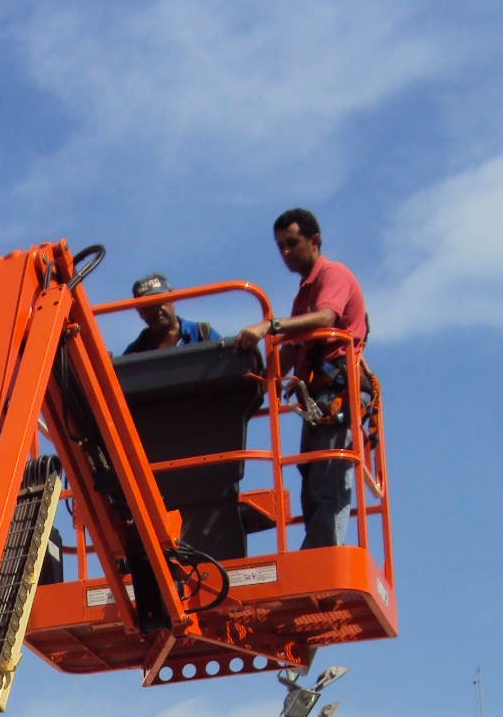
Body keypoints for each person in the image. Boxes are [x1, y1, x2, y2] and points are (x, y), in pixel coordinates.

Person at [234, 210, 367, 547]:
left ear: (315, 241)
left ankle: (325, 555)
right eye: (280, 247)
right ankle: (317, 551)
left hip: (337, 392)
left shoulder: (333, 275)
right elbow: (292, 351)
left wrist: (270, 326)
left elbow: (325, 318)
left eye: (291, 244)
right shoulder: (302, 295)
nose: (285, 253)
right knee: (311, 479)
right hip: (317, 399)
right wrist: (256, 385)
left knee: (328, 480)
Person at [122, 273, 219, 354]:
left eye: (160, 300)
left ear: (173, 299)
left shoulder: (201, 334)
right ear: (139, 312)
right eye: (148, 304)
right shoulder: (133, 352)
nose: (156, 308)